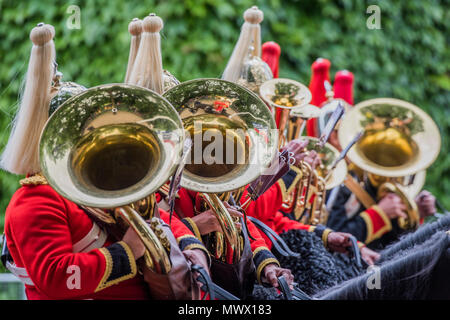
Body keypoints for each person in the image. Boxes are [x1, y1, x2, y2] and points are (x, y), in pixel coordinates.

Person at [1, 23, 210, 300]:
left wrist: (189, 244)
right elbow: (57, 277)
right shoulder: (34, 200)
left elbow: (155, 219)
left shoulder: (95, 185)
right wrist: (127, 252)